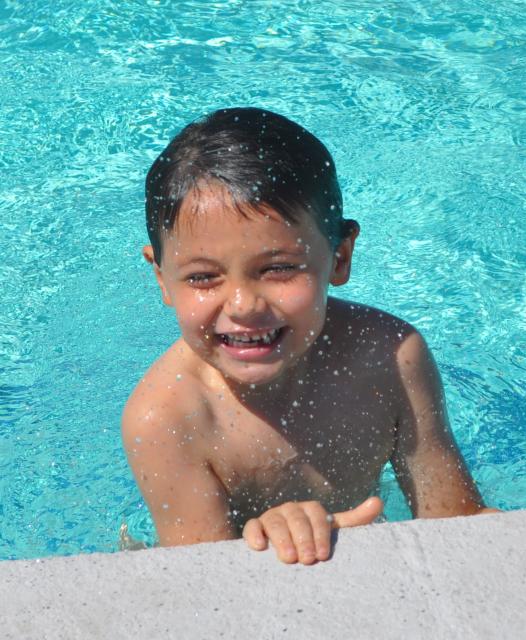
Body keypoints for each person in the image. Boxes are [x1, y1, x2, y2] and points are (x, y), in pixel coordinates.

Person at [122, 106, 498, 564]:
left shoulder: (390, 358)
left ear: (340, 257)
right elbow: (202, 594)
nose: (243, 305)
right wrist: (270, 540)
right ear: (162, 279)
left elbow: (455, 525)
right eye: (203, 278)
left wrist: (333, 532)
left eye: (279, 268)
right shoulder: (168, 417)